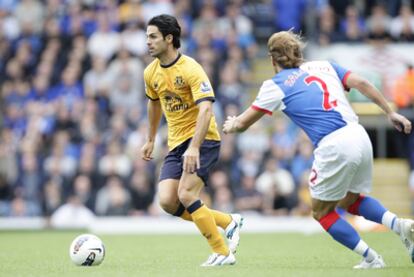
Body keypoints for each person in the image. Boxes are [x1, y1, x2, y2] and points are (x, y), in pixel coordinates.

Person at [223, 30, 414, 269]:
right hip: (359, 135)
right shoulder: (324, 66)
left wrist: (231, 125)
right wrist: (390, 112)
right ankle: (399, 225)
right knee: (349, 200)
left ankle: (372, 258)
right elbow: (363, 83)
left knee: (322, 212)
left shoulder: (275, 85)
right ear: (298, 53)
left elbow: (242, 124)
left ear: (272, 60)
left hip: (334, 144)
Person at [140, 14, 242, 267]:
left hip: (203, 139)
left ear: (169, 38)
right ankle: (228, 222)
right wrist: (151, 138)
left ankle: (221, 251)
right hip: (175, 143)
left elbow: (206, 110)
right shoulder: (150, 73)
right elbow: (154, 105)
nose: (148, 42)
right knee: (166, 201)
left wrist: (195, 147)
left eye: (153, 37)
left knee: (186, 193)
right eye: (146, 37)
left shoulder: (191, 68)